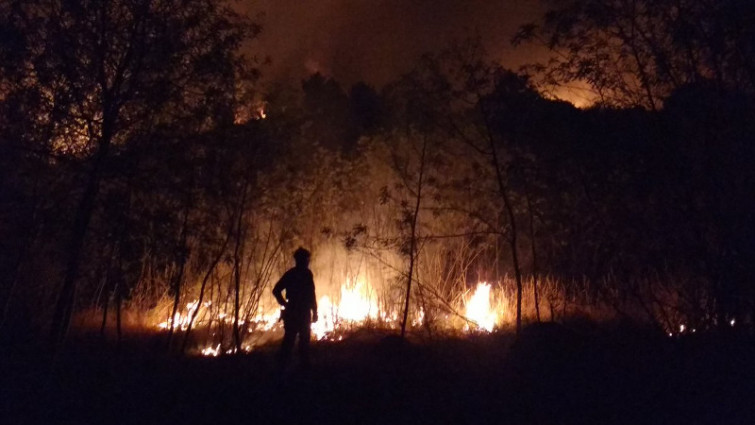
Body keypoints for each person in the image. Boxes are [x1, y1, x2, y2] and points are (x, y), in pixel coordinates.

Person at [272, 247, 318, 367]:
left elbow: (311, 294)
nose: (308, 262)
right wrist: (285, 304)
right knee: (295, 340)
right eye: (306, 259)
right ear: (301, 260)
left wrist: (285, 304)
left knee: (294, 340)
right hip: (299, 311)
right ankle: (292, 366)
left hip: (296, 311)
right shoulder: (304, 274)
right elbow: (311, 294)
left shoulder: (293, 274)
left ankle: (290, 366)